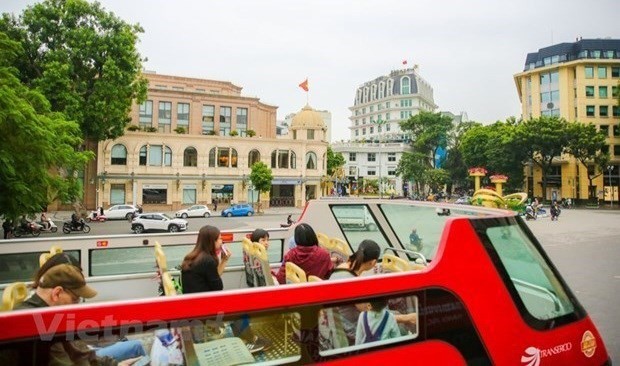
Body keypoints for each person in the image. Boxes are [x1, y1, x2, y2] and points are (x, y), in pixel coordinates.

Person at [15, 263, 145, 365]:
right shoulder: (40, 325)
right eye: (75, 299)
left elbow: (78, 355)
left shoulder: (45, 314)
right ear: (57, 293)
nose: (76, 305)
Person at [320, 240, 416, 349]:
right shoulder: (353, 284)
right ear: (374, 262)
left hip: (337, 323)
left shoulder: (342, 267)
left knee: (394, 313)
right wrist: (407, 318)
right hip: (350, 331)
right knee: (402, 327)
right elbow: (374, 314)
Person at [181, 225, 230, 293]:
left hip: (190, 299)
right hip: (202, 301)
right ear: (212, 241)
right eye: (220, 239)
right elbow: (218, 287)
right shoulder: (208, 261)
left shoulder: (191, 257)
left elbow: (213, 277)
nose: (221, 241)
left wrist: (224, 260)